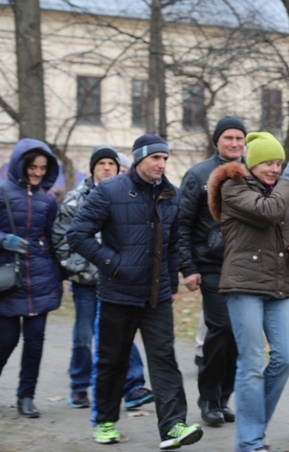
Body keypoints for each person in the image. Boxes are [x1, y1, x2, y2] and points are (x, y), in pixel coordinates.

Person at [67, 134, 203, 449]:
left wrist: (170, 283)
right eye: (156, 158)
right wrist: (113, 264)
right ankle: (104, 422)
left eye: (165, 158)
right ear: (140, 159)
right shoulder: (109, 191)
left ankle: (173, 428)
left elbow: (171, 245)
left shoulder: (172, 195)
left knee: (164, 360)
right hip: (117, 294)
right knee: (112, 361)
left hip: (157, 298)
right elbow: (78, 234)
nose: (162, 164)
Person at [206, 131, 289, 452]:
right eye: (269, 163)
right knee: (250, 363)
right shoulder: (234, 187)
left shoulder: (273, 192)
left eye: (279, 163)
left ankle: (253, 429)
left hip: (276, 283)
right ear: (253, 163)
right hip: (243, 284)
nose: (275, 169)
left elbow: (274, 235)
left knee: (286, 357)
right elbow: (268, 212)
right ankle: (250, 443)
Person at [52, 146, 154, 411]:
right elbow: (63, 240)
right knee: (84, 336)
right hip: (86, 282)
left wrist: (125, 267)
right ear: (93, 167)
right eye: (102, 163)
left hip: (118, 280)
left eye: (112, 163)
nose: (107, 167)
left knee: (122, 334)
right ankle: (79, 386)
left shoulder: (128, 195)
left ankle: (133, 386)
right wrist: (81, 270)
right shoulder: (76, 199)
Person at [178, 116, 246, 427]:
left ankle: (224, 398)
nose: (234, 143)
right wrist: (188, 267)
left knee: (239, 336)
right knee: (220, 330)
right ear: (216, 141)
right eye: (228, 138)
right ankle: (208, 398)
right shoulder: (198, 175)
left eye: (239, 138)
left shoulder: (252, 173)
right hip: (211, 266)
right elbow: (182, 225)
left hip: (246, 266)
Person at [0, 139, 63, 418]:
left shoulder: (48, 199)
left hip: (41, 277)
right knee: (6, 339)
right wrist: (4, 240)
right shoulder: (1, 192)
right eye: (32, 167)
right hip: (6, 279)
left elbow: (54, 238)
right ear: (20, 165)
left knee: (35, 340)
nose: (37, 173)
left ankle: (26, 396)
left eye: (42, 168)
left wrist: (63, 271)